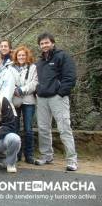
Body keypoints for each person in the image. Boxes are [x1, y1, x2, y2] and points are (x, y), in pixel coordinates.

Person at [34, 32, 78, 171]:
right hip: (41, 99)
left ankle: (72, 160)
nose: (44, 45)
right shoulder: (39, 61)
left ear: (52, 42)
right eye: (42, 43)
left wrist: (61, 93)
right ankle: (47, 156)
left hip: (58, 98)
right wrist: (38, 91)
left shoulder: (62, 56)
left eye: (47, 42)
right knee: (43, 129)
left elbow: (70, 77)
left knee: (64, 128)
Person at [11, 45, 38, 164]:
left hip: (28, 100)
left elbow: (34, 83)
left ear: (27, 56)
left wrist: (23, 89)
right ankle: (16, 154)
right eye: (19, 55)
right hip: (15, 100)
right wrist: (15, 89)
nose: (21, 57)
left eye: (23, 55)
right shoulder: (10, 67)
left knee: (28, 129)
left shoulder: (33, 67)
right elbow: (8, 82)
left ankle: (29, 154)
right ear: (16, 56)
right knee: (15, 128)